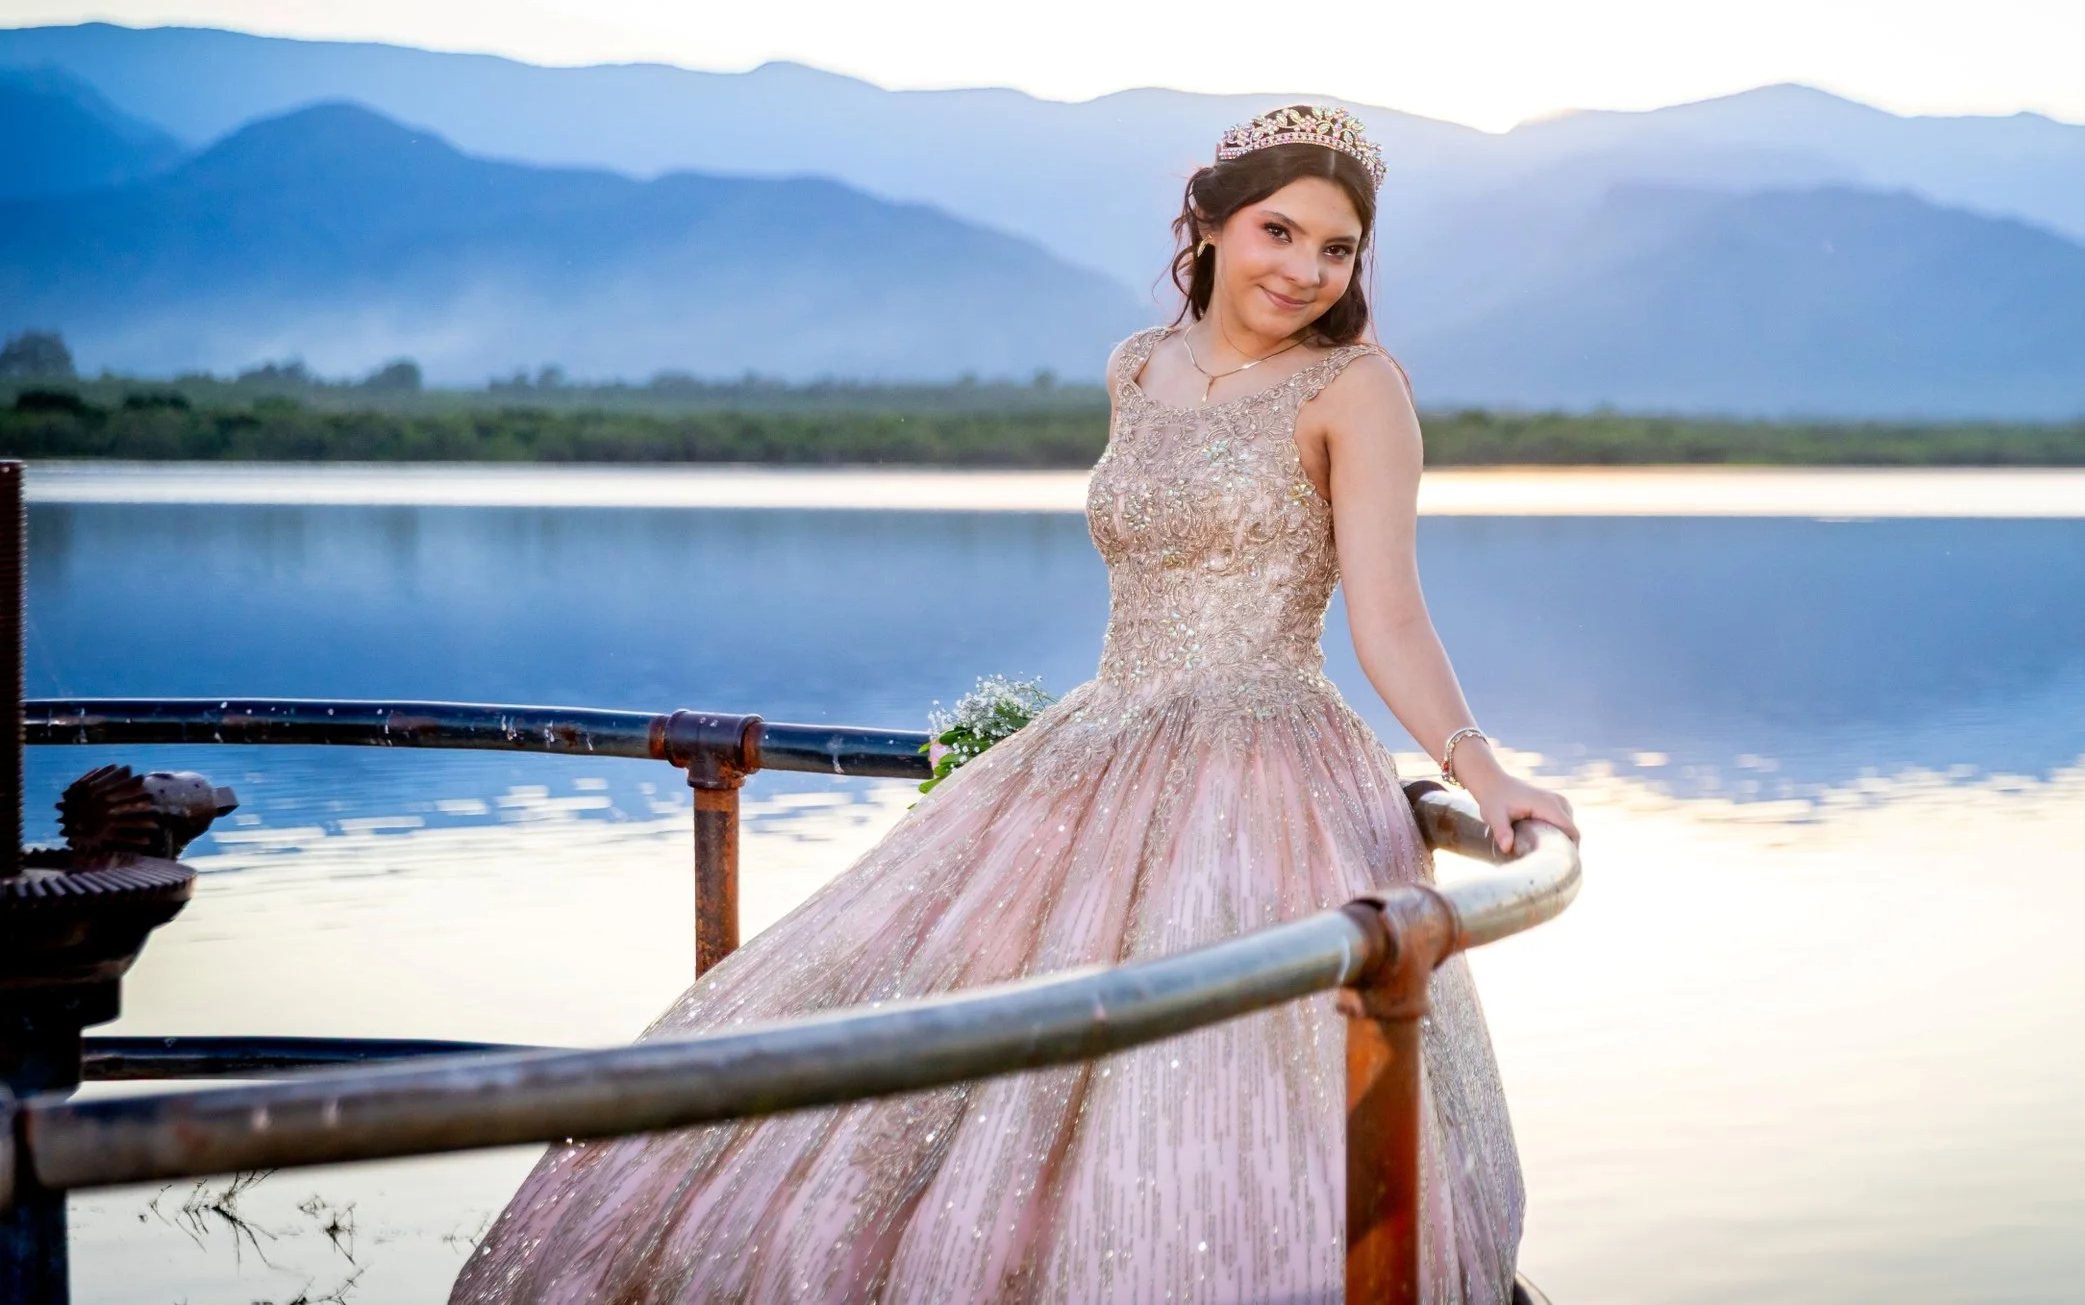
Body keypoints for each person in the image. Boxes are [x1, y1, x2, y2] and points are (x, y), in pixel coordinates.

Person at [451, 104, 1580, 1304]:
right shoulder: (1137, 365)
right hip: (1098, 747)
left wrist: (1481, 770)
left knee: (1235, 1070)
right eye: (1278, 231)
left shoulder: (1357, 388)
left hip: (1263, 770)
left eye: (1337, 248)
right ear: (1207, 224)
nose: (1305, 269)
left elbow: (1388, 616)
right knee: (948, 1040)